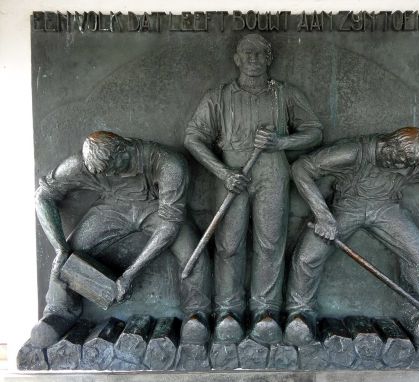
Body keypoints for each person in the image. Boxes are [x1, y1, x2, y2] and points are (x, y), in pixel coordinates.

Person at [184, 34, 323, 344]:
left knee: (270, 243)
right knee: (229, 243)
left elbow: (314, 132)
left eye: (260, 53)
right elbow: (193, 137)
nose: (253, 58)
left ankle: (266, 311)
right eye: (247, 52)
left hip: (273, 171)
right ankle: (227, 311)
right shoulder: (217, 97)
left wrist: (282, 142)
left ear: (269, 57)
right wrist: (222, 171)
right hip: (232, 175)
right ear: (236, 58)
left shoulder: (285, 95)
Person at [285, 127, 419, 347]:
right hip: (346, 207)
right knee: (306, 257)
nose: (405, 171)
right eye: (400, 163)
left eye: (410, 166)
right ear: (387, 147)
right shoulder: (353, 152)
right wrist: (323, 216)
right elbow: (301, 168)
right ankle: (299, 313)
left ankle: (415, 315)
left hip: (386, 209)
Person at [31, 131, 211, 347]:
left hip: (159, 210)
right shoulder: (81, 165)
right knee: (69, 253)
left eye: (113, 169)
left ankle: (196, 314)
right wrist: (60, 248)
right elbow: (43, 196)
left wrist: (129, 275)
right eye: (103, 173)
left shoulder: (169, 164)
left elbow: (170, 226)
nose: (110, 175)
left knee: (193, 253)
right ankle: (58, 312)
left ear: (123, 149)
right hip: (112, 207)